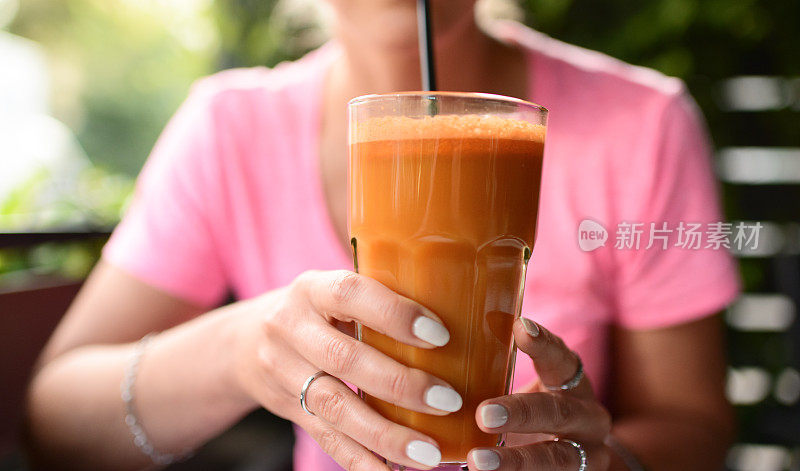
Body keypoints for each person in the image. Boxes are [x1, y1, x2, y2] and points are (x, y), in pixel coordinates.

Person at [24, 1, 740, 470]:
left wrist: (601, 460)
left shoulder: (643, 125)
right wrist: (242, 349)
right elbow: (55, 424)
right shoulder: (230, 130)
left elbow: (694, 431)